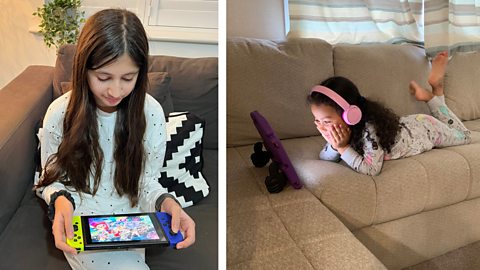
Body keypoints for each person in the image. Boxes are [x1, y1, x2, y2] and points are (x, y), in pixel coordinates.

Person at [34, 9, 195, 269]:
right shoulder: (59, 113)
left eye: (128, 78)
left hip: (131, 220)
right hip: (81, 216)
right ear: (83, 69)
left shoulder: (150, 112)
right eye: (103, 77)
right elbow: (50, 179)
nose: (115, 91)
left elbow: (146, 183)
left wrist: (167, 202)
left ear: (140, 74)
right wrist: (60, 200)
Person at [309, 51, 471, 176]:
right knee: (450, 127)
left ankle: (432, 96)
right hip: (412, 124)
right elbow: (325, 158)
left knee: (465, 136)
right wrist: (334, 144)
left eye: (327, 121)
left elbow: (371, 169)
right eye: (317, 121)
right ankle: (436, 90)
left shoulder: (369, 131)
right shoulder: (342, 130)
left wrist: (343, 148)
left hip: (428, 130)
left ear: (350, 114)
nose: (321, 126)